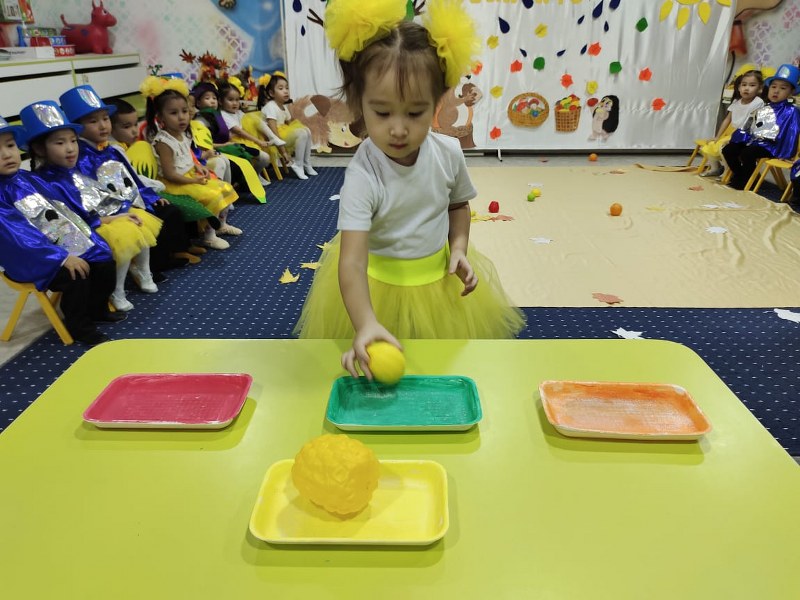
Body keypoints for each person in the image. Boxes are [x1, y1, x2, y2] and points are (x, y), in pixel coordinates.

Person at [294, 0, 526, 378]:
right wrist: (365, 322)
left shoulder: (449, 153)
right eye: (383, 112)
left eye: (415, 112)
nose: (398, 129)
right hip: (376, 286)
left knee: (440, 369)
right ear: (359, 104)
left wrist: (459, 247)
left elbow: (457, 205)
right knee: (386, 370)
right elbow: (351, 262)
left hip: (438, 281)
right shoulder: (363, 174)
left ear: (436, 103)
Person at [21, 100, 162, 313]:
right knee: (125, 233)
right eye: (60, 143)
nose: (70, 148)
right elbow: (69, 222)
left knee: (137, 220)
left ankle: (142, 273)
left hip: (93, 223)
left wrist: (120, 212)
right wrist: (112, 219)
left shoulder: (73, 172)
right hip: (78, 235)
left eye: (73, 141)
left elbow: (97, 200)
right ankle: (117, 290)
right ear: (40, 149)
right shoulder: (46, 183)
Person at [0, 116, 123, 346]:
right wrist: (61, 258)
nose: (7, 154)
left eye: (10, 145)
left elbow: (64, 209)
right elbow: (19, 238)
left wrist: (89, 231)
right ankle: (80, 327)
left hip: (58, 244)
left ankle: (97, 309)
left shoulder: (27, 179)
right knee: (75, 275)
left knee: (103, 259)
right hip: (31, 258)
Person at [59, 85, 193, 281]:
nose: (103, 126)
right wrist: (122, 209)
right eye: (93, 121)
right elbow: (88, 194)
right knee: (149, 219)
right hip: (107, 211)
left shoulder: (111, 150)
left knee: (167, 210)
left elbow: (132, 178)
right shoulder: (79, 157)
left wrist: (149, 196)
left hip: (127, 200)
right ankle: (150, 267)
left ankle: (162, 259)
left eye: (105, 119)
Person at [141, 75, 240, 250]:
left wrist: (198, 166)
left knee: (225, 187)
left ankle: (221, 225)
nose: (181, 117)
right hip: (175, 184)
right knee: (213, 195)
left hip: (189, 176)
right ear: (160, 117)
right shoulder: (163, 142)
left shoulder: (184, 134)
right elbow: (170, 174)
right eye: (174, 113)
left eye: (184, 111)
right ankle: (209, 236)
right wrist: (193, 180)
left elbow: (188, 157)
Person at [722, 63, 800, 190]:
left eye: (783, 88)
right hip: (756, 142)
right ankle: (741, 175)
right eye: (773, 87)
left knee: (748, 153)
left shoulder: (792, 111)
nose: (776, 91)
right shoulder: (764, 107)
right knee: (729, 149)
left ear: (791, 92)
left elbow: (793, 133)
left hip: (774, 147)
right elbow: (749, 127)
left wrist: (787, 154)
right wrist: (738, 139)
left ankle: (744, 180)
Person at [700, 69, 765, 178]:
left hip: (747, 136)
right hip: (734, 134)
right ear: (739, 87)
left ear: (759, 89)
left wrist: (731, 139)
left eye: (752, 85)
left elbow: (751, 123)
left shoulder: (758, 102)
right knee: (710, 145)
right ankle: (716, 168)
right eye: (744, 85)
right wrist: (717, 136)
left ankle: (728, 171)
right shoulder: (736, 102)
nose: (747, 88)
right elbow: (727, 120)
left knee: (724, 148)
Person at [216, 79, 279, 186]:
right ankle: (252, 176)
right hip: (236, 142)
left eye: (237, 100)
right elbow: (240, 132)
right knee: (261, 156)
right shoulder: (223, 114)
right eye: (230, 100)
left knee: (254, 117)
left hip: (247, 139)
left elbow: (247, 124)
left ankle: (256, 174)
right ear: (221, 101)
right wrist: (258, 141)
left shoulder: (238, 112)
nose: (235, 103)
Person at [258, 71, 317, 179]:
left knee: (306, 130)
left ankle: (306, 163)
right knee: (301, 133)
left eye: (287, 88)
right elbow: (273, 131)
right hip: (273, 137)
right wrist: (284, 152)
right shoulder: (270, 107)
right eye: (281, 88)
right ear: (271, 93)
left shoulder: (283, 107)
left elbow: (290, 124)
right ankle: (298, 164)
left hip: (282, 132)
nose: (285, 91)